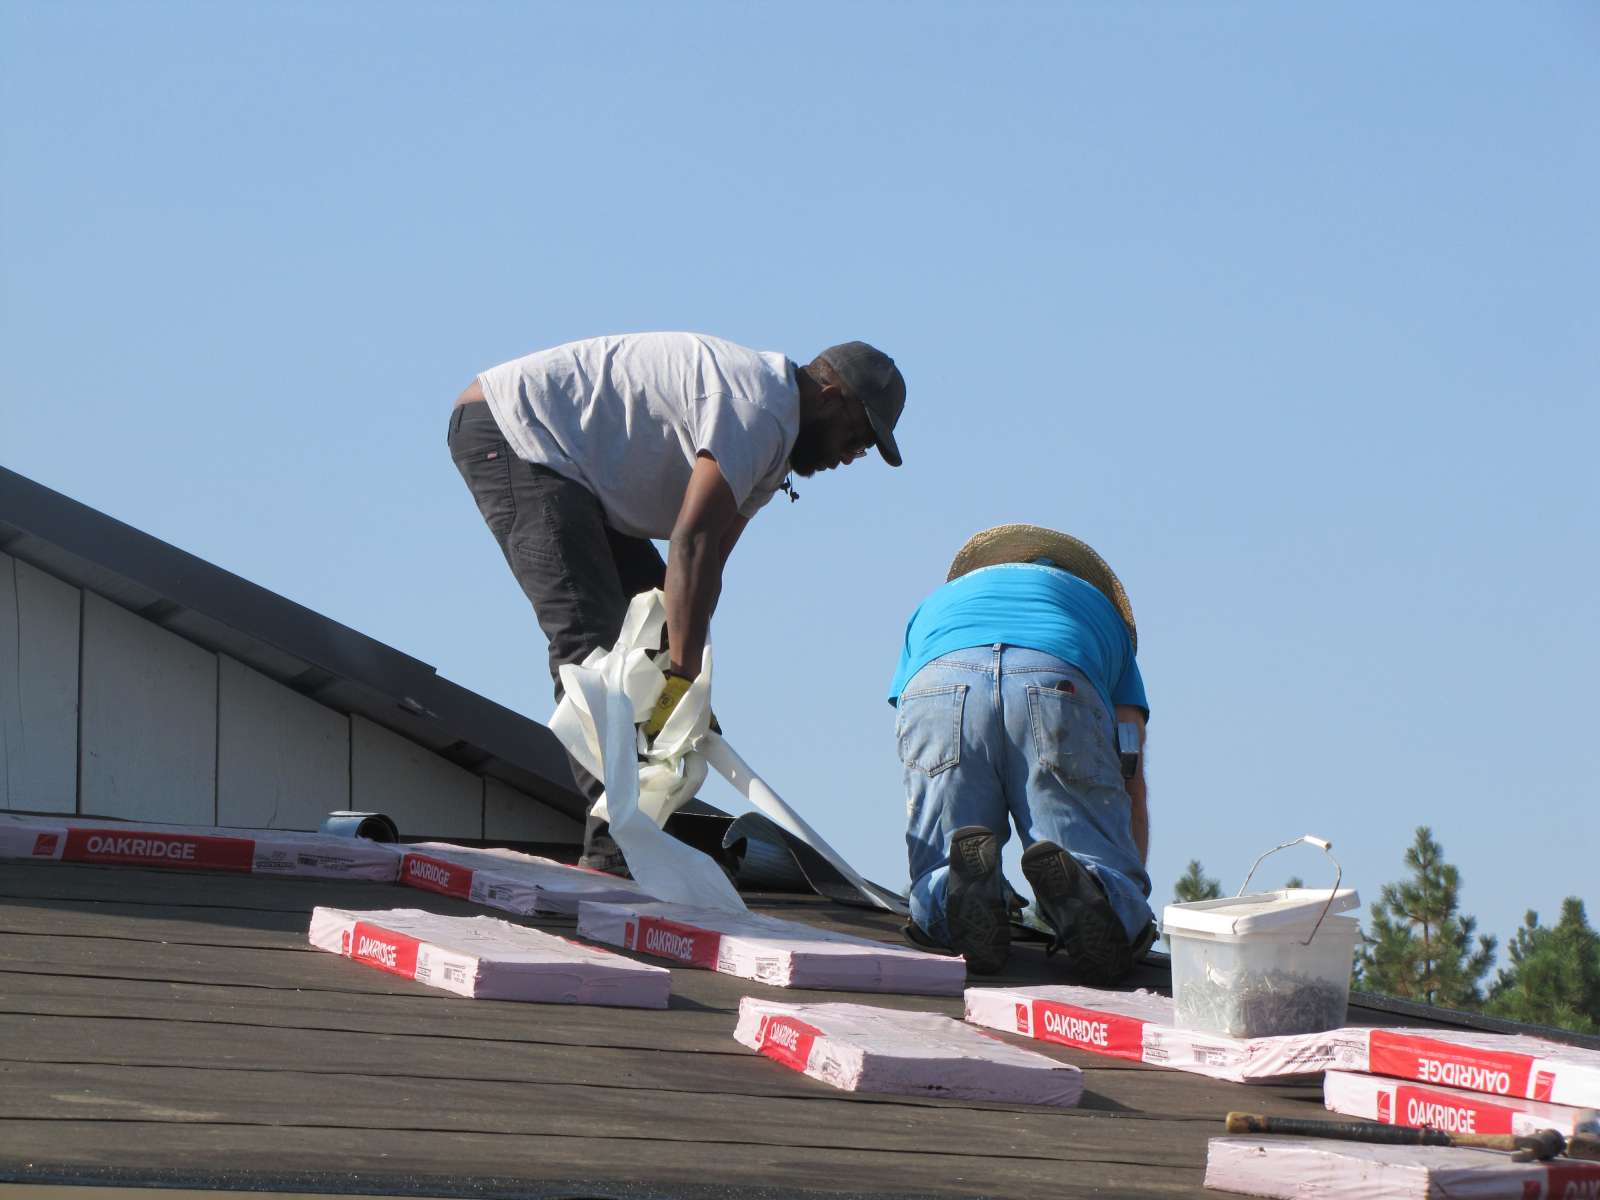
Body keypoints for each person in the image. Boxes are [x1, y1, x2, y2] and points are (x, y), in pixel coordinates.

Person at [450, 332, 907, 873]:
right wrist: (682, 676)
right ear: (829, 397)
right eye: (857, 436)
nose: (851, 457)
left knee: (653, 646)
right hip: (517, 429)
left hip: (574, 471)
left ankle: (645, 825)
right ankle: (617, 847)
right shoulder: (757, 410)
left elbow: (707, 567)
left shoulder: (774, 443)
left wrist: (686, 682)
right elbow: (690, 542)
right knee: (596, 647)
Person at [888, 524, 1156, 982]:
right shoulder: (1096, 610)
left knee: (946, 852)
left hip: (939, 683)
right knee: (1092, 859)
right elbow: (1129, 765)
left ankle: (955, 894)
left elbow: (915, 712)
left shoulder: (939, 602)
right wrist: (1128, 885)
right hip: (1057, 677)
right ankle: (1096, 893)